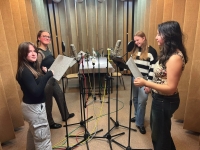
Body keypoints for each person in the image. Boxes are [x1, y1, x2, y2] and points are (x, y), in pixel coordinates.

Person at [134, 21, 188, 150]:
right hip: (160, 99)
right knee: (162, 133)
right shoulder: (168, 53)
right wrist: (151, 86)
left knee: (159, 136)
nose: (156, 37)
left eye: (159, 34)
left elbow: (171, 87)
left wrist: (146, 83)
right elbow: (161, 78)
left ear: (168, 36)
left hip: (165, 100)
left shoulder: (175, 57)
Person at [16, 42, 53, 150]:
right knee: (43, 141)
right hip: (34, 109)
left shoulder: (28, 68)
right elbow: (36, 92)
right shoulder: (25, 71)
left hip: (30, 108)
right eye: (29, 52)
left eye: (34, 51)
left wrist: (44, 74)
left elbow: (35, 83)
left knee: (34, 136)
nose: (33, 54)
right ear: (23, 54)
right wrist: (48, 75)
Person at [36, 30, 74, 129]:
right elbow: (36, 69)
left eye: (49, 37)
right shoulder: (39, 53)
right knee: (48, 102)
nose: (47, 38)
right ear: (39, 38)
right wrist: (44, 71)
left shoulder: (48, 50)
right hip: (46, 81)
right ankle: (50, 123)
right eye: (44, 36)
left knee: (60, 96)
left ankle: (65, 115)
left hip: (52, 79)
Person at [130, 31, 157, 134]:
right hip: (135, 78)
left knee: (142, 102)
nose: (136, 42)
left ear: (144, 38)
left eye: (138, 40)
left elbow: (152, 69)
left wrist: (148, 84)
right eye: (135, 40)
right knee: (136, 99)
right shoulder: (135, 50)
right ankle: (137, 116)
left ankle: (140, 123)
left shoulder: (152, 51)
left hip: (145, 80)